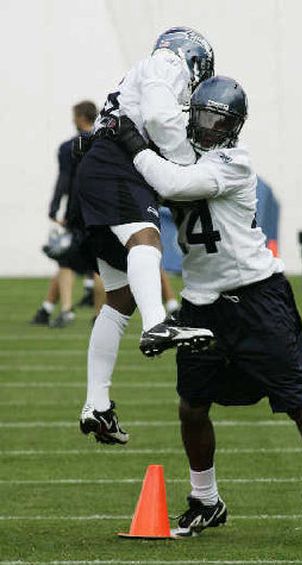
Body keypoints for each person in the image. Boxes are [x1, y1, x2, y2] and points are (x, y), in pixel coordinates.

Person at [116, 76, 302, 540]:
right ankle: (205, 499)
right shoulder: (179, 153)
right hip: (202, 302)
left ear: (235, 126)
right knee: (191, 406)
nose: (210, 126)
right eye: (203, 115)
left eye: (220, 120)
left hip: (256, 296)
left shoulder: (234, 162)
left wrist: (132, 141)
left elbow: (173, 184)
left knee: (299, 402)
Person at [77, 27, 215, 444]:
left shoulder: (143, 72)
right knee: (146, 240)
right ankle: (157, 323)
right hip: (117, 164)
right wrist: (188, 162)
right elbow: (157, 118)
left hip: (100, 167)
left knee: (119, 298)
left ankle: (96, 404)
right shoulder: (165, 64)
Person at [30, 100, 103, 328]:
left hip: (77, 210)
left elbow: (64, 180)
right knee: (102, 261)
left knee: (65, 260)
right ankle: (100, 314)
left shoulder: (68, 147)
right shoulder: (105, 143)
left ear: (81, 117)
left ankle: (66, 310)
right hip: (102, 210)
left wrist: (53, 208)